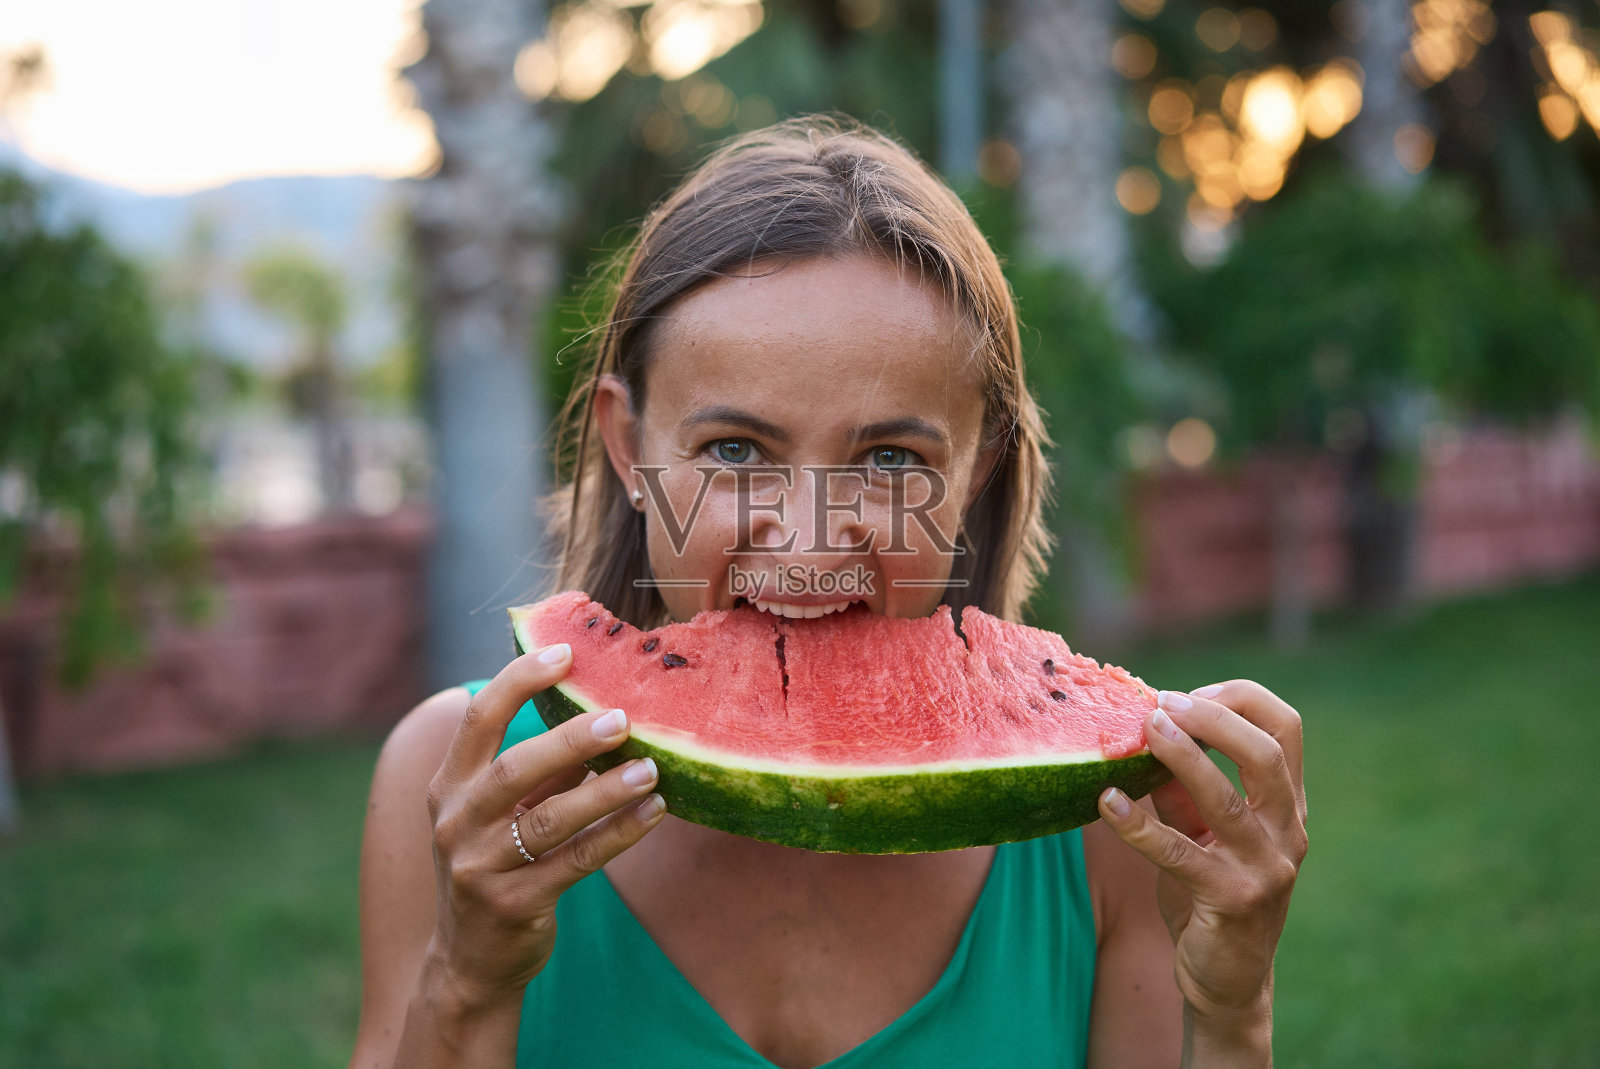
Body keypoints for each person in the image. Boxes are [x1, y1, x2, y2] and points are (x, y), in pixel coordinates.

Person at [351, 116, 1309, 1069]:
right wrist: (466, 982)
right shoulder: (453, 787)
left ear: (976, 471)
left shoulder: (1115, 823)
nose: (809, 539)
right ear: (628, 445)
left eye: (890, 458)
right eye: (736, 450)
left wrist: (1233, 1014)